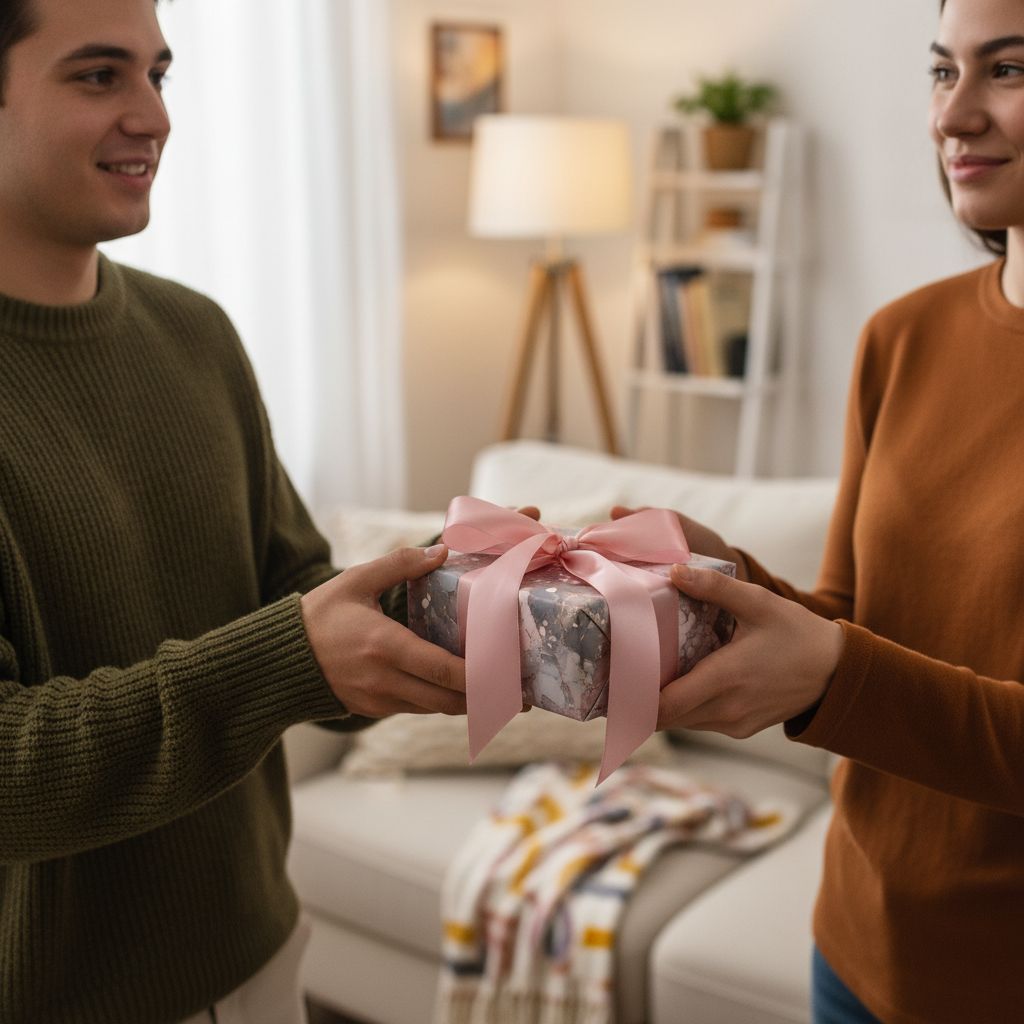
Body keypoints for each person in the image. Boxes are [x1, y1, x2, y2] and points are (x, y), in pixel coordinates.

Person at [0, 0, 471, 1021]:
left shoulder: (196, 333)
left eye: (157, 75)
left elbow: (291, 587)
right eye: (98, 76)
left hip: (257, 947)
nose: (153, 115)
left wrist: (448, 595)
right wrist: (295, 655)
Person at [627, 0, 1024, 1020]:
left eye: (1007, 71)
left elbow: (845, 661)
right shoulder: (903, 337)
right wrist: (719, 569)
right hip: (852, 940)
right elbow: (852, 607)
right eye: (942, 73)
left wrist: (836, 676)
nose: (952, 117)